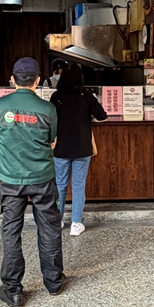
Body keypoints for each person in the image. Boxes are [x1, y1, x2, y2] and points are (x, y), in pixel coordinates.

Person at [0, 57, 66, 307]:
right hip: (43, 177)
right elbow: (52, 142)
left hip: (10, 178)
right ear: (37, 80)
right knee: (49, 228)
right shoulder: (48, 109)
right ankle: (54, 282)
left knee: (11, 231)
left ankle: (13, 290)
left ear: (12, 80)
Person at [49, 64, 107, 236]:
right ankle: (76, 223)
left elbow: (49, 120)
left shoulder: (56, 96)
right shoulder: (86, 96)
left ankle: (57, 220)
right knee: (78, 186)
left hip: (60, 148)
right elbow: (102, 116)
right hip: (82, 147)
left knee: (60, 184)